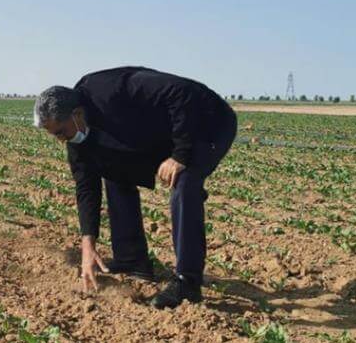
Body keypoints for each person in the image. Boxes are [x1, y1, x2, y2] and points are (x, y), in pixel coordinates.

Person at [33, 66, 237, 309]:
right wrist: (88, 246)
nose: (61, 140)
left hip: (206, 123)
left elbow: (181, 92)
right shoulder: (78, 142)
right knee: (113, 169)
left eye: (61, 131)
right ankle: (132, 261)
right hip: (160, 133)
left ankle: (187, 282)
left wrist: (180, 156)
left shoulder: (111, 89)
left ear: (77, 113)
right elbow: (86, 188)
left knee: (184, 184)